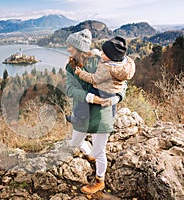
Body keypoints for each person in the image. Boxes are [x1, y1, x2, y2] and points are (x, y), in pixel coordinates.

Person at [65, 29, 128, 194]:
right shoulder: (70, 66)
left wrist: (117, 97)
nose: (67, 49)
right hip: (81, 111)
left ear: (79, 48)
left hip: (103, 112)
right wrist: (90, 98)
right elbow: (70, 89)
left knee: (100, 149)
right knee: (76, 142)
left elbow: (122, 83)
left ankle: (100, 180)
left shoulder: (102, 62)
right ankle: (89, 154)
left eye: (70, 46)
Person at [67, 36, 135, 125]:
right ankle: (111, 120)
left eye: (70, 46)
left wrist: (81, 74)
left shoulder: (105, 67)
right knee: (111, 109)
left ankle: (78, 118)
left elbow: (94, 79)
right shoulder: (124, 65)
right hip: (113, 91)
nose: (101, 54)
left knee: (83, 105)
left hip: (101, 91)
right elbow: (70, 89)